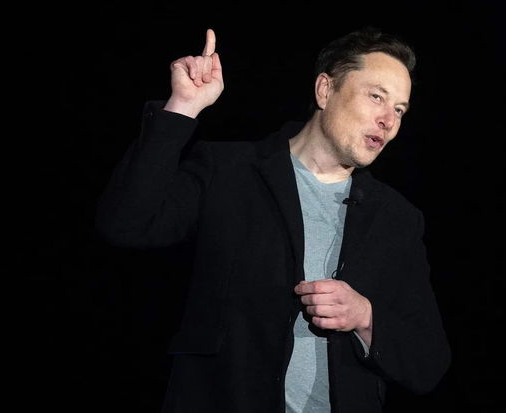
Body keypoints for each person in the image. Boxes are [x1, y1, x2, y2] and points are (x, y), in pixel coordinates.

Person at [95, 26, 451, 413]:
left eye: (399, 110)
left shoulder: (397, 220)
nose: (388, 120)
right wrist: (182, 108)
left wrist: (365, 317)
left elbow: (428, 362)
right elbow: (126, 223)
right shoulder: (229, 171)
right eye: (377, 96)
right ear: (325, 90)